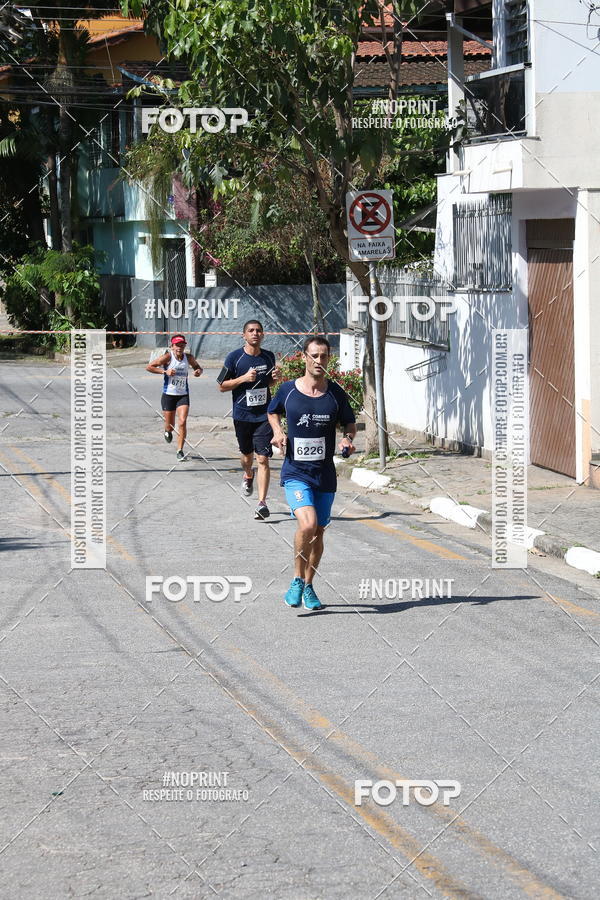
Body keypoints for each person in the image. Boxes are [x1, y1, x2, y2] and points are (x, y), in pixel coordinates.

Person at [267, 336, 356, 610]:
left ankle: (309, 585)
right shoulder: (287, 391)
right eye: (314, 356)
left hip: (325, 474)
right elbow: (272, 412)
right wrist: (279, 432)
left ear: (329, 359)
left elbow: (349, 424)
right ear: (304, 357)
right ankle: (296, 579)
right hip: (296, 471)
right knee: (306, 524)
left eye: (324, 356)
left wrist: (347, 440)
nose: (319, 361)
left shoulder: (335, 394)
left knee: (317, 532)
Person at [217, 320, 277, 519]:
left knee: (263, 458)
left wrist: (275, 378)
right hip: (242, 415)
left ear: (263, 335)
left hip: (264, 415)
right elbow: (221, 386)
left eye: (259, 330)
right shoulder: (234, 357)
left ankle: (262, 503)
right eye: (251, 331)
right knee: (246, 456)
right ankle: (248, 474)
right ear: (244, 335)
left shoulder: (269, 356)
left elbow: (268, 381)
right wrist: (243, 379)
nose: (255, 333)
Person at [146, 333, 202, 461]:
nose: (179, 347)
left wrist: (198, 371)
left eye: (182, 345)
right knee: (170, 425)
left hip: (183, 395)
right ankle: (167, 431)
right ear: (172, 346)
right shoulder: (168, 357)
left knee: (182, 422)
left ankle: (180, 450)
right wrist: (165, 371)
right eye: (177, 345)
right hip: (169, 395)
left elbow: (197, 367)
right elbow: (149, 367)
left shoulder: (189, 357)